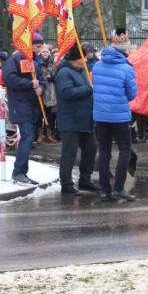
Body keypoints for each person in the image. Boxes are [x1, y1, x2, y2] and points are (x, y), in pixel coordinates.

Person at [92, 33, 138, 201]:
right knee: (124, 150)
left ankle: (105, 190)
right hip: (119, 116)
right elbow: (132, 94)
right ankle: (118, 188)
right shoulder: (127, 68)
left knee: (104, 152)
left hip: (100, 115)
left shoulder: (97, 66)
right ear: (125, 50)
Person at [54, 43, 98, 195]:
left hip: (86, 120)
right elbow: (67, 92)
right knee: (69, 154)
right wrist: (89, 89)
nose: (85, 60)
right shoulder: (64, 73)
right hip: (71, 120)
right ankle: (66, 184)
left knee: (91, 150)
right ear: (74, 59)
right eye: (82, 57)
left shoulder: (81, 71)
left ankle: (85, 180)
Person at [4, 32, 47, 186]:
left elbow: (41, 80)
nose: (40, 48)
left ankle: (22, 171)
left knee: (29, 138)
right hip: (20, 103)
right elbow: (9, 79)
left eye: (41, 46)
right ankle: (18, 172)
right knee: (27, 137)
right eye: (37, 45)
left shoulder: (36, 61)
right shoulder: (17, 58)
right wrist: (30, 84)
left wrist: (41, 87)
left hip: (32, 104)